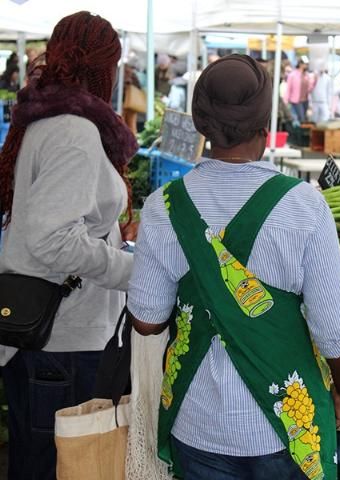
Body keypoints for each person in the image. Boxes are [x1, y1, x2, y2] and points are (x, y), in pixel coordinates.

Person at [128, 54, 340, 479]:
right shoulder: (303, 206)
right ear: (264, 122)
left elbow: (146, 321)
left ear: (201, 121)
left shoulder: (163, 206)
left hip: (196, 424)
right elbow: (338, 333)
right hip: (285, 431)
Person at [0, 11, 138, 479]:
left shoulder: (49, 118)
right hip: (62, 346)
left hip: (53, 341)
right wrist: (129, 271)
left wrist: (113, 237)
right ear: (105, 68)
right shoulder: (74, 131)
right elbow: (52, 238)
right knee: (54, 469)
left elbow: (56, 220)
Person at [284, 58, 314, 123]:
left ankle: (302, 130)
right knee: (301, 117)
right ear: (300, 64)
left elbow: (309, 89)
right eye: (305, 64)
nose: (307, 65)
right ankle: (300, 131)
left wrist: (314, 81)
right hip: (296, 100)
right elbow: (288, 88)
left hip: (305, 100)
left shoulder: (307, 75)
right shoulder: (292, 75)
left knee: (304, 117)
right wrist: (286, 100)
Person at [123, 63, 144, 134]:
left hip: (132, 104)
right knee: (122, 123)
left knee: (131, 125)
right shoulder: (120, 76)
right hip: (123, 104)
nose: (127, 72)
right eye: (126, 71)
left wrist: (131, 84)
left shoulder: (133, 76)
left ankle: (132, 139)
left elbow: (139, 88)